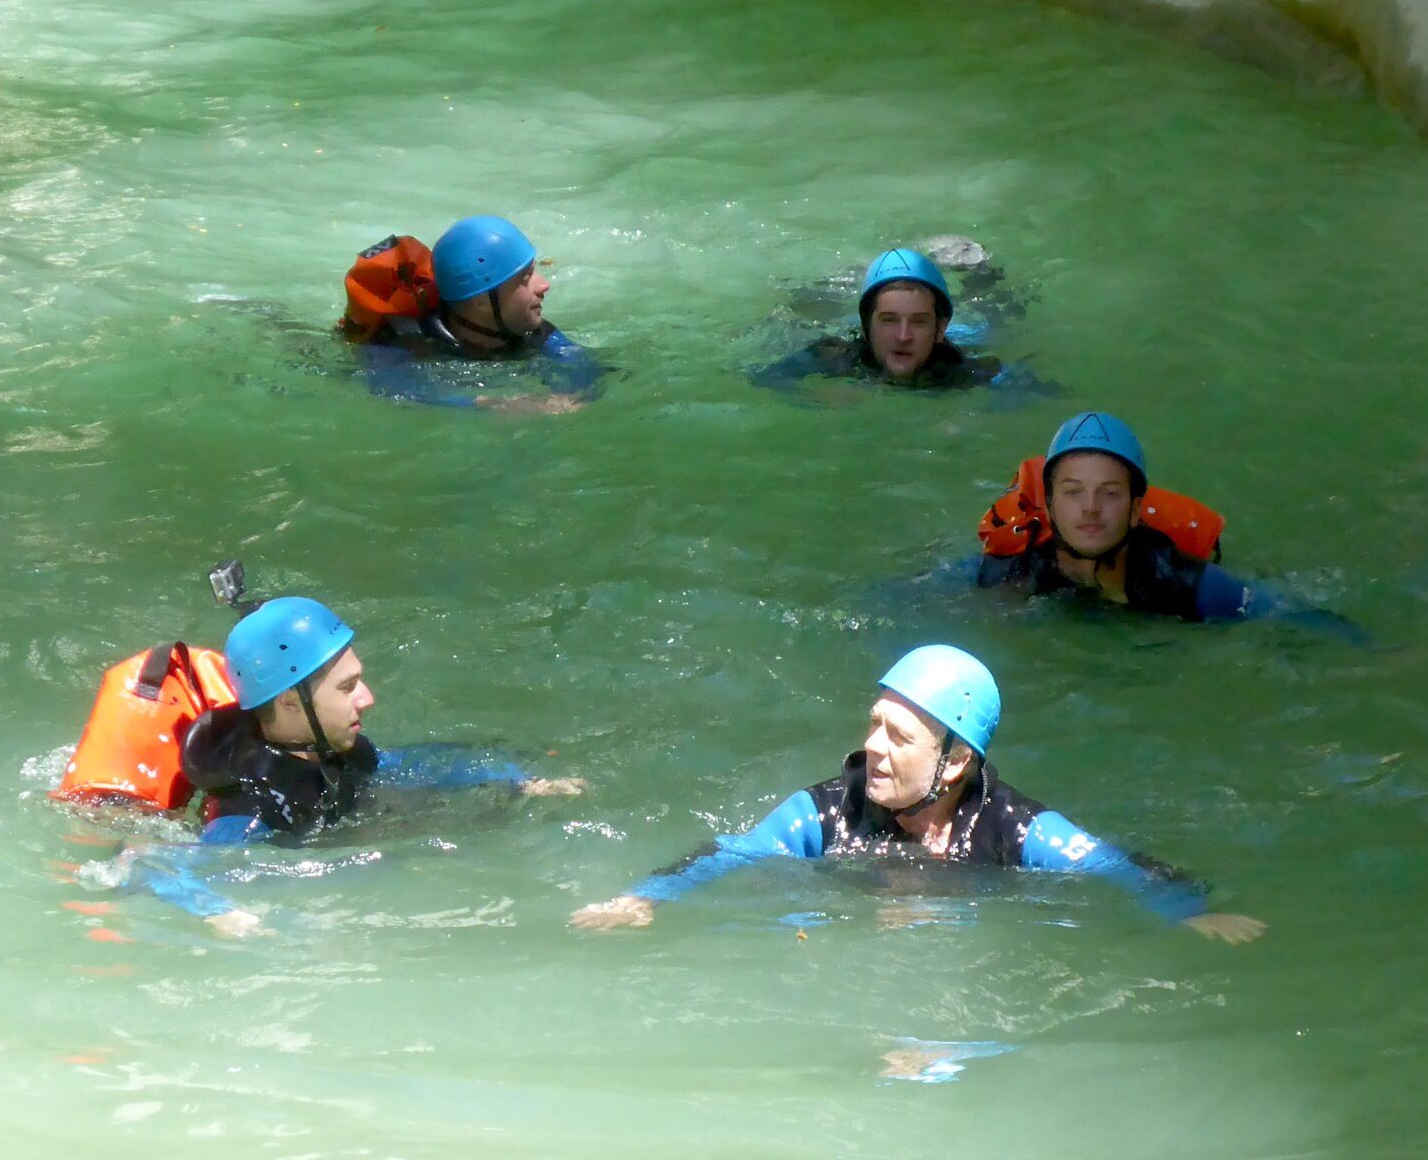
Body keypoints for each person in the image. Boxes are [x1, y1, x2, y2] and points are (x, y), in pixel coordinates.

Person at [571, 644, 1262, 941]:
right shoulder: (825, 814)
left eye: (899, 738)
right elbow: (730, 853)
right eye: (874, 725)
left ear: (957, 760)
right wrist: (647, 897)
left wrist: (1188, 910)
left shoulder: (1015, 831)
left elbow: (1114, 865)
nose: (872, 747)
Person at [106, 596, 582, 935]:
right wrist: (217, 912)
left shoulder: (334, 748)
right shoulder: (251, 811)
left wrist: (517, 782)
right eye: (346, 686)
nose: (367, 698)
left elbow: (400, 766)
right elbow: (149, 865)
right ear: (291, 703)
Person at [973, 412, 1368, 636]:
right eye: (1073, 492)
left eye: (1110, 493)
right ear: (1051, 506)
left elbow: (1297, 617)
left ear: (1134, 509)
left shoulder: (1183, 582)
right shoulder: (1012, 572)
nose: (1091, 508)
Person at [343, 216, 601, 412]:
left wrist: (567, 397)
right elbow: (392, 388)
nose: (544, 285)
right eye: (526, 278)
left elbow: (580, 363)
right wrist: (485, 403)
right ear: (481, 302)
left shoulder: (532, 331)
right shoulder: (408, 342)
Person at [754, 247, 1021, 391]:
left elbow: (1028, 391)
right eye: (888, 320)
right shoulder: (836, 356)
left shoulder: (963, 369)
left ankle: (977, 267)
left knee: (994, 326)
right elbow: (764, 378)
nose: (903, 336)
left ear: (940, 329)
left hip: (967, 331)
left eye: (919, 321)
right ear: (866, 327)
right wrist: (817, 398)